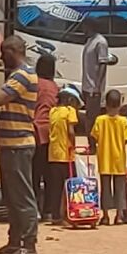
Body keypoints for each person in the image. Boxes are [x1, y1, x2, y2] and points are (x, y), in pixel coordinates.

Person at [0, 35, 40, 254]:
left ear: (14, 51)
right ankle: (14, 242)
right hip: (9, 145)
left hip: (19, 145)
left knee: (22, 196)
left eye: (4, 54)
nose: (1, 58)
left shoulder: (23, 75)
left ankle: (29, 244)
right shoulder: (16, 75)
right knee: (11, 196)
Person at [91, 89, 127, 226]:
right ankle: (119, 215)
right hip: (119, 160)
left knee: (105, 188)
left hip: (104, 159)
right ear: (120, 105)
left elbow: (95, 136)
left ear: (106, 105)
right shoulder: (124, 122)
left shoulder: (100, 120)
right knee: (120, 189)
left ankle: (105, 216)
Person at [45, 84, 82, 225]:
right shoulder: (69, 111)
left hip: (53, 154)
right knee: (69, 188)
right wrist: (73, 144)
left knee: (55, 188)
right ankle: (69, 213)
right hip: (66, 155)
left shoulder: (52, 111)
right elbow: (71, 131)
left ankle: (55, 216)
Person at [33, 54, 58, 221]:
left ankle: (34, 209)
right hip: (52, 134)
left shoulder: (35, 84)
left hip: (35, 132)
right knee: (50, 176)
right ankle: (48, 211)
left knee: (33, 174)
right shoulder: (55, 87)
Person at [81, 18, 111, 153]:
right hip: (87, 86)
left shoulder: (100, 42)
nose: (83, 30)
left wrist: (97, 87)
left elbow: (103, 65)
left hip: (94, 88)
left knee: (91, 119)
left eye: (84, 27)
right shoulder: (89, 41)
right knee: (88, 118)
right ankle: (91, 144)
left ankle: (93, 146)